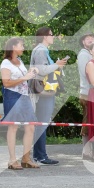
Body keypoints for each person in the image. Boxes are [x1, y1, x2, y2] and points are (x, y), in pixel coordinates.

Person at [0, 37, 39, 170]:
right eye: (21, 45)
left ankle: (26, 158)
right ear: (13, 47)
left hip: (24, 96)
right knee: (13, 127)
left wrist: (32, 72)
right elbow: (6, 83)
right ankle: (12, 160)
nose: (23, 48)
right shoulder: (6, 63)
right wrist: (24, 77)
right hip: (12, 96)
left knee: (30, 127)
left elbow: (23, 78)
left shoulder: (20, 61)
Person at [30, 27, 67, 165]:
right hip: (43, 91)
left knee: (42, 123)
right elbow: (42, 69)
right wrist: (56, 65)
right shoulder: (40, 50)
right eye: (51, 34)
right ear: (45, 36)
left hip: (47, 90)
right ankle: (40, 155)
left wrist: (57, 66)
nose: (53, 37)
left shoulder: (43, 50)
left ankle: (39, 154)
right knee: (42, 123)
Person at [77, 32, 94, 160]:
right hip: (87, 92)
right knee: (87, 120)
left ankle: (90, 150)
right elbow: (86, 74)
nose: (91, 39)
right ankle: (86, 150)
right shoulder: (84, 54)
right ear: (83, 42)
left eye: (93, 38)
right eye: (87, 38)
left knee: (92, 120)